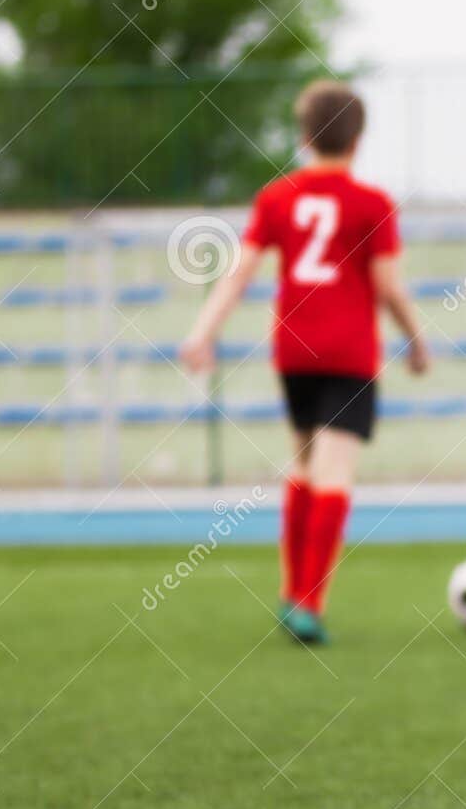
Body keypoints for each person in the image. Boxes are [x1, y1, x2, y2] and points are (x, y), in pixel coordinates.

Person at [179, 80, 429, 643]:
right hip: (349, 353)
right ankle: (309, 604)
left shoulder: (276, 198)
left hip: (293, 350)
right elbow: (387, 286)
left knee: (304, 467)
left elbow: (239, 272)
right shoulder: (371, 203)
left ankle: (293, 592)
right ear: (358, 140)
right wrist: (417, 338)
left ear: (303, 135)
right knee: (333, 474)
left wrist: (202, 331)